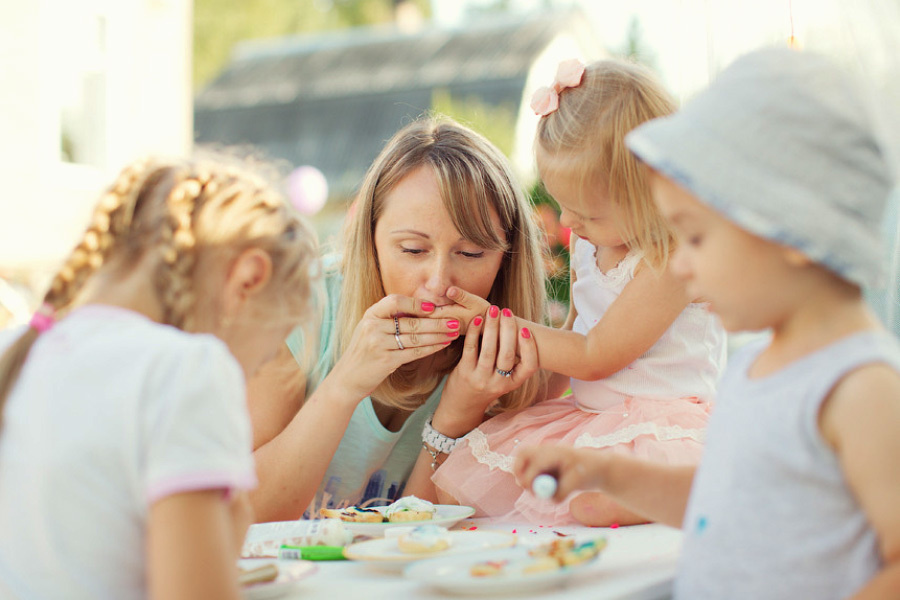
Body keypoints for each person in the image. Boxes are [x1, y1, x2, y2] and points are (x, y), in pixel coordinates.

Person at [515, 48, 900, 599]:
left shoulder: (859, 388)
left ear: (788, 228)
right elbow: (724, 500)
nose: (679, 263)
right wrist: (604, 474)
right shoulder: (757, 370)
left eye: (695, 237)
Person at [0, 156, 319, 600]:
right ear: (249, 278)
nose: (249, 378)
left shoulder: (13, 351)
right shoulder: (187, 370)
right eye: (261, 359)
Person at [431, 59, 727, 527]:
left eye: (588, 213)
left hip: (662, 427)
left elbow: (595, 355)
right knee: (464, 480)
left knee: (589, 503)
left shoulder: (668, 259)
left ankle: (684, 493)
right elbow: (573, 332)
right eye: (561, 205)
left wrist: (493, 321)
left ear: (652, 194)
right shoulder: (592, 246)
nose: (569, 224)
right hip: (593, 417)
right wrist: (532, 402)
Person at [247, 116, 551, 522]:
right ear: (370, 240)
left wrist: (455, 418)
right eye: (412, 250)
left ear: (507, 258)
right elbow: (246, 515)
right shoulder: (297, 307)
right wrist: (345, 383)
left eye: (472, 254)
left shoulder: (509, 357)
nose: (440, 283)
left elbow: (417, 536)